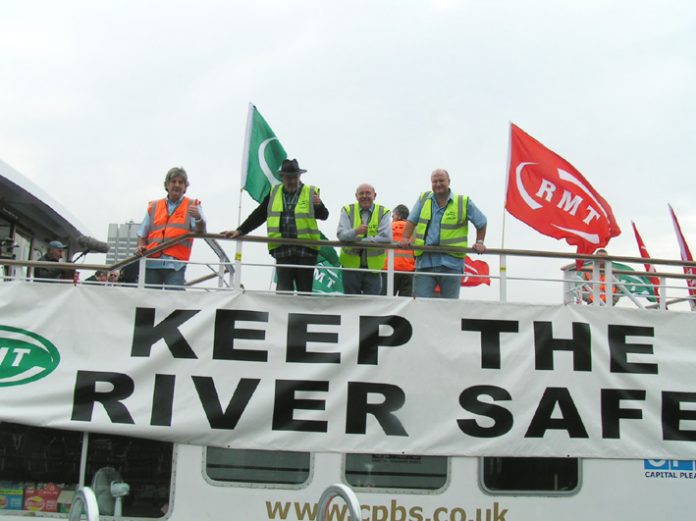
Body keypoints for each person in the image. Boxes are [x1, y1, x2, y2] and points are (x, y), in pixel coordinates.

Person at [222, 158, 328, 293]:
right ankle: (282, 314)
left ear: (299, 176)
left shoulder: (310, 192)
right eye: (288, 177)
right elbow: (259, 215)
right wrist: (240, 231)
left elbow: (324, 215)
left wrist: (318, 205)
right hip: (282, 250)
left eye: (294, 177)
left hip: (306, 251)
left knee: (304, 292)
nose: (292, 180)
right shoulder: (274, 193)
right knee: (284, 292)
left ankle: (302, 314)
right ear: (282, 177)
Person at [400, 168, 487, 299]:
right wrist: (405, 238)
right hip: (425, 263)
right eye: (435, 181)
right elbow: (412, 220)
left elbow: (481, 222)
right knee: (419, 304)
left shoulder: (463, 202)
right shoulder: (423, 199)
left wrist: (479, 242)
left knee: (449, 307)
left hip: (451, 264)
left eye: (441, 181)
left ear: (449, 182)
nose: (438, 184)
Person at [135, 167, 206, 289]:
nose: (177, 185)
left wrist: (198, 218)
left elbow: (201, 232)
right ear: (167, 185)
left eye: (181, 182)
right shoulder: (154, 206)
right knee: (148, 301)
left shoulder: (193, 205)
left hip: (176, 264)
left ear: (185, 187)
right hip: (152, 262)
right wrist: (140, 246)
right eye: (173, 181)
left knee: (173, 301)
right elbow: (142, 233)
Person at [337, 183, 391, 295]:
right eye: (361, 193)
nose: (364, 196)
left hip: (373, 269)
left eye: (368, 193)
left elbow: (387, 238)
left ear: (374, 195)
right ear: (356, 196)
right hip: (350, 267)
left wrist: (362, 242)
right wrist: (356, 231)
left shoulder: (384, 212)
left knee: (372, 305)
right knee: (351, 304)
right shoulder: (347, 210)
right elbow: (341, 234)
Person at [381, 204, 415, 296]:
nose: (392, 218)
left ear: (399, 216)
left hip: (388, 270)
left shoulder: (387, 228)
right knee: (405, 303)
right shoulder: (414, 230)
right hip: (408, 271)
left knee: (384, 302)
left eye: (393, 216)